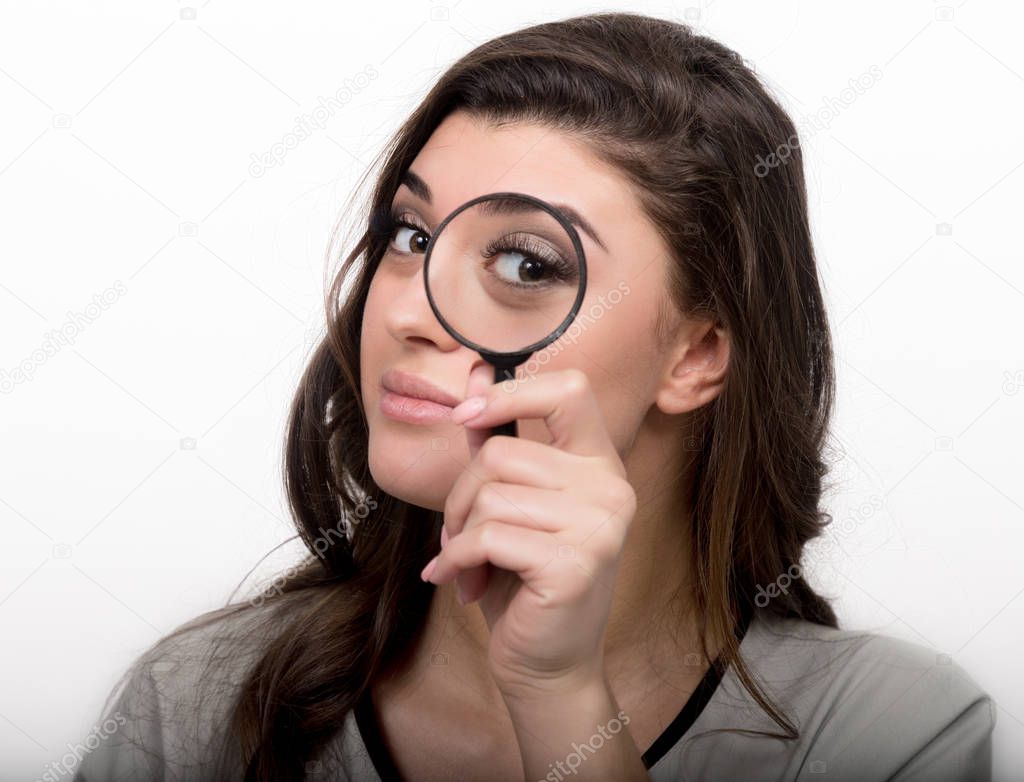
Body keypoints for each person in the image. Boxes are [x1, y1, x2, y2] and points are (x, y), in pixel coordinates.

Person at [73, 11, 995, 782]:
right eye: (409, 235)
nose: (410, 313)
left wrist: (560, 697)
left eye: (525, 263)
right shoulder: (195, 706)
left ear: (698, 354)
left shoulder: (892, 734)